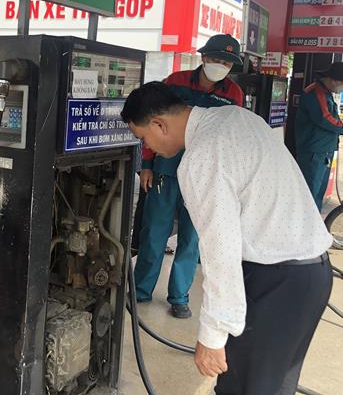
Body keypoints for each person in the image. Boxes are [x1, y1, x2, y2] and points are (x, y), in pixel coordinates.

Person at [122, 82, 332, 395]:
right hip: (313, 276)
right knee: (272, 387)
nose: (146, 146)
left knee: (242, 388)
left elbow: (221, 249)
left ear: (159, 124)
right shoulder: (239, 117)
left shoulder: (201, 158)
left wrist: (213, 335)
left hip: (276, 281)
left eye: (143, 138)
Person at [135, 34, 244, 319]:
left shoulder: (234, 94)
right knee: (154, 232)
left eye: (227, 63)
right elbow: (152, 122)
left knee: (192, 238)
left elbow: (233, 136)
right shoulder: (176, 82)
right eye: (216, 59)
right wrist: (146, 164)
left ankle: (179, 297)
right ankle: (140, 289)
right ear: (204, 57)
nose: (220, 66)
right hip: (166, 170)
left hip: (206, 177)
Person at [295, 61, 343, 210]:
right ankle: (306, 221)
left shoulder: (326, 92)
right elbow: (325, 118)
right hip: (314, 152)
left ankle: (313, 220)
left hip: (323, 150)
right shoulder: (316, 92)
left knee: (318, 194)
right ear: (334, 80)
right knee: (310, 193)